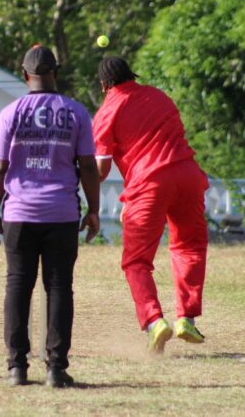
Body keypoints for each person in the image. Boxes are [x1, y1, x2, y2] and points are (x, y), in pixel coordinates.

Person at [0, 45, 100, 388]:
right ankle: (55, 368)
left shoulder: (11, 113)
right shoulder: (77, 112)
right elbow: (88, 166)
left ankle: (17, 367)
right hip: (62, 213)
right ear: (56, 72)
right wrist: (94, 210)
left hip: (19, 213)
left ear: (24, 75)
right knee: (59, 287)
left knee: (18, 286)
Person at [92, 56, 209, 354]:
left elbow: (101, 169)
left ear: (104, 84)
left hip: (149, 184)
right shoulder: (160, 96)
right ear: (132, 75)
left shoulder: (108, 110)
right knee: (189, 246)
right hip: (187, 176)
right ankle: (186, 318)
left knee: (136, 260)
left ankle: (154, 321)